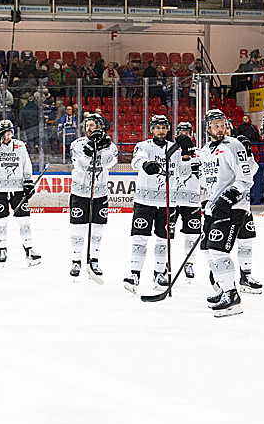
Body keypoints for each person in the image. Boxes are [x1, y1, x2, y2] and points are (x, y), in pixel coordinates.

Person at [198, 109, 256, 317]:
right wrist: (206, 201)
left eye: (223, 124)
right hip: (213, 206)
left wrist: (229, 196)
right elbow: (205, 181)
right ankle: (224, 288)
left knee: (218, 249)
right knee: (206, 248)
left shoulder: (234, 146)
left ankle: (231, 295)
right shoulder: (205, 151)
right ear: (208, 128)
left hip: (232, 206)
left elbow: (246, 177)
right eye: (216, 125)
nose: (220, 128)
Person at [124, 114, 190, 293]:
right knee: (140, 238)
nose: (161, 131)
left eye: (164, 127)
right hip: (144, 202)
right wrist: (146, 164)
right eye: (157, 127)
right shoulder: (143, 146)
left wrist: (185, 155)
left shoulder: (175, 149)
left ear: (168, 129)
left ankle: (159, 273)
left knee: (163, 239)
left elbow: (184, 174)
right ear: (151, 129)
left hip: (169, 202)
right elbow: (136, 161)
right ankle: (134, 273)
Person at [68, 113, 117, 280]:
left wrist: (102, 147)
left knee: (97, 228)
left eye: (93, 125)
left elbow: (109, 163)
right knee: (78, 228)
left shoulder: (110, 145)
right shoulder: (77, 144)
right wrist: (89, 149)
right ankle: (76, 261)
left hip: (100, 193)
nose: (90, 128)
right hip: (80, 193)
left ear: (101, 127)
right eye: (88, 125)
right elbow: (80, 166)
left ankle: (94, 260)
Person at [0, 118, 38, 266]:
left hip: (17, 190)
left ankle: (29, 250)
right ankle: (2, 249)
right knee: (1, 222)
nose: (7, 136)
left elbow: (26, 164)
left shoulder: (20, 145)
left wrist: (28, 181)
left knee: (24, 221)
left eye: (9, 132)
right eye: (4, 133)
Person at [171, 122, 202, 282]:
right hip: (173, 199)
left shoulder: (199, 153)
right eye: (181, 132)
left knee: (193, 234)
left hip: (193, 200)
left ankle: (189, 262)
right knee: (166, 234)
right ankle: (164, 264)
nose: (184, 135)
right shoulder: (169, 151)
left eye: (187, 132)